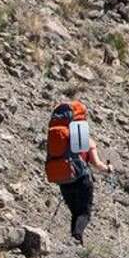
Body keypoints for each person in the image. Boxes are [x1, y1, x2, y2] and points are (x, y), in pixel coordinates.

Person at [44, 100, 106, 244]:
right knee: (84, 212)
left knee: (75, 213)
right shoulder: (85, 137)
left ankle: (75, 242)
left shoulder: (58, 134)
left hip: (62, 177)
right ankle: (76, 238)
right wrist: (108, 169)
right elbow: (97, 164)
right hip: (80, 178)